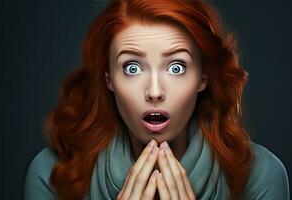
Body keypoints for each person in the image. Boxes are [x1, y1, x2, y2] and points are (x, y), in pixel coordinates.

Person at [24, 0, 290, 199]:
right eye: (132, 68)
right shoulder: (52, 173)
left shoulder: (261, 177)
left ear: (203, 77)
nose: (154, 91)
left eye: (176, 67)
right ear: (109, 79)